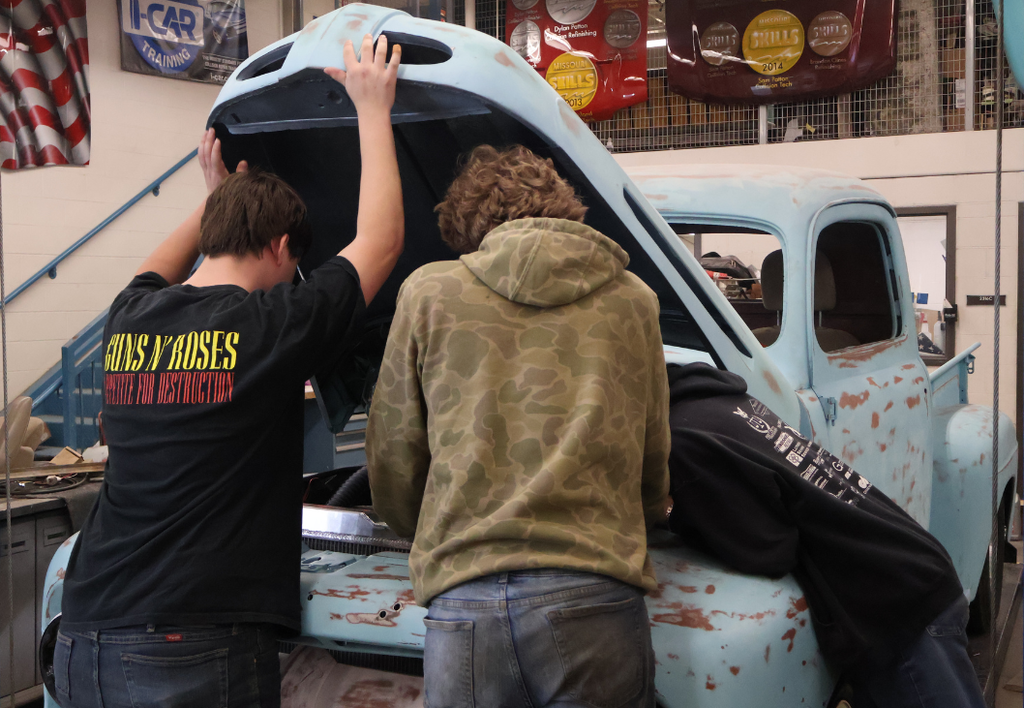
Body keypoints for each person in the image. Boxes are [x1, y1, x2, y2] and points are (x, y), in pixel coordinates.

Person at [56, 34, 403, 708]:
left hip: (85, 633)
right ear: (280, 248)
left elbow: (156, 263)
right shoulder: (268, 327)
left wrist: (220, 197)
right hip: (191, 645)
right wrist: (371, 107)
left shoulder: (129, 315)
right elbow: (382, 240)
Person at [365, 144, 671, 708]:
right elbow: (651, 452)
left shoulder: (430, 293)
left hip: (465, 596)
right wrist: (641, 520)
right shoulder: (634, 300)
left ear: (466, 226)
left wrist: (429, 531)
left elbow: (394, 450)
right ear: (564, 207)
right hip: (594, 587)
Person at [664, 362, 985, 708]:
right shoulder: (724, 402)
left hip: (903, 611)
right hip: (915, 572)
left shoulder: (683, 441)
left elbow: (771, 550)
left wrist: (680, 519)